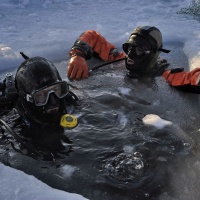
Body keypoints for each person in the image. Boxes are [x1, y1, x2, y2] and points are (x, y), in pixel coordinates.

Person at [67, 26, 200, 93]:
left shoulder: (163, 74)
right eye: (128, 47)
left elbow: (189, 78)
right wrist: (78, 55)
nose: (130, 54)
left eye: (137, 50)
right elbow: (92, 35)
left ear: (152, 53)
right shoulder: (118, 59)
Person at [0, 54, 78, 160]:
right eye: (41, 95)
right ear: (27, 99)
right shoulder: (14, 127)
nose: (53, 102)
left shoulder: (70, 102)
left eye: (56, 90)